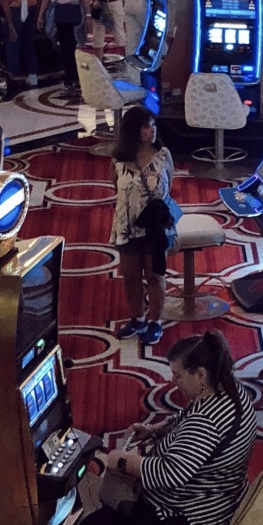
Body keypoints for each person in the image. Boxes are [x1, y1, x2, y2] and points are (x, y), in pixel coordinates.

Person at [41, 329, 257, 525]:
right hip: (217, 501)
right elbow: (189, 419)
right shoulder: (229, 391)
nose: (174, 382)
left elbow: (170, 474)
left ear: (201, 374)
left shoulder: (208, 421)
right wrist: (157, 430)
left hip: (196, 520)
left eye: (178, 375)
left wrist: (124, 462)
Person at [111, 103, 176, 344]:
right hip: (127, 225)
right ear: (134, 131)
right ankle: (137, 318)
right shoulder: (118, 160)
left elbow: (169, 185)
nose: (153, 130)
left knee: (154, 275)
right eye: (147, 127)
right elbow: (115, 187)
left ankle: (155, 321)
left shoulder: (163, 156)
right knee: (130, 275)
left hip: (155, 227)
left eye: (153, 125)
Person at [42, 0, 89, 88]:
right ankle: (70, 73)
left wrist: (88, 16)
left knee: (70, 44)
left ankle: (71, 75)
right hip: (57, 12)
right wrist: (41, 15)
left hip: (71, 13)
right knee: (63, 44)